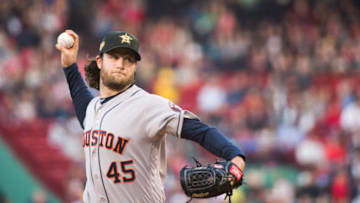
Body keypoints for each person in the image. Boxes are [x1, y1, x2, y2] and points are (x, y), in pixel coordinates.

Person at [55, 29, 246, 203]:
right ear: (99, 61)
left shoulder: (149, 105)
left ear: (135, 66)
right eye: (114, 57)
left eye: (128, 59)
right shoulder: (94, 108)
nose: (121, 64)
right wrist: (70, 66)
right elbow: (84, 108)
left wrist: (235, 156)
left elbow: (200, 131)